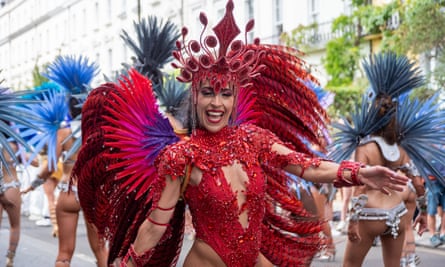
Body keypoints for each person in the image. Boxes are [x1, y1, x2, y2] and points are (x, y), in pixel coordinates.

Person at [75, 2, 408, 267]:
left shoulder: (254, 139)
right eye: (208, 92)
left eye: (225, 94)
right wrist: (127, 262)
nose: (217, 103)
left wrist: (361, 173)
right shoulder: (181, 157)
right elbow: (155, 225)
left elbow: (306, 166)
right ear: (195, 96)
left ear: (236, 98)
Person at [330, 52, 442, 267]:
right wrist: (424, 213)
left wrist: (352, 222)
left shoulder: (365, 148)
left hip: (370, 216)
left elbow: (359, 189)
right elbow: (418, 182)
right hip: (397, 216)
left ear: (371, 116)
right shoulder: (401, 148)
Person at [20, 57, 107, 267]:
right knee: (102, 252)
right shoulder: (100, 131)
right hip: (93, 192)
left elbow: (50, 166)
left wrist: (34, 184)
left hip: (68, 191)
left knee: (64, 254)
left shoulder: (62, 132)